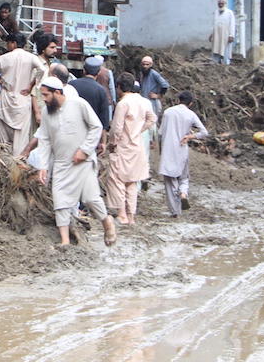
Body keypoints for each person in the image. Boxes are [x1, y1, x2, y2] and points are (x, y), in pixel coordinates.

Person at [32, 77, 118, 246]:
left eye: (46, 95)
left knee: (91, 198)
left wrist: (85, 150)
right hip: (62, 163)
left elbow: (96, 127)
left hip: (83, 163)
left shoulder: (79, 104)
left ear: (57, 92)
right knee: (60, 201)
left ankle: (107, 221)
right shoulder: (46, 112)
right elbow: (45, 140)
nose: (44, 99)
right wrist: (42, 166)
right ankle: (65, 241)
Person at [0, 32, 44, 156]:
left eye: (8, 43)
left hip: (6, 99)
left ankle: (5, 163)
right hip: (23, 98)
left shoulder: (4, 58)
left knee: (3, 138)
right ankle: (18, 166)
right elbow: (42, 70)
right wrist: (31, 85)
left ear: (13, 43)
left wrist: (0, 81)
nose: (7, 46)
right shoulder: (31, 57)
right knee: (21, 138)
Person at [107, 72, 156, 224]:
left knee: (117, 180)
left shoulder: (123, 104)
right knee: (132, 182)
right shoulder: (144, 101)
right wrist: (140, 130)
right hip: (137, 145)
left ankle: (122, 214)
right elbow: (152, 119)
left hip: (123, 146)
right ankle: (131, 216)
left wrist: (112, 143)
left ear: (120, 87)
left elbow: (116, 128)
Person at [158, 91, 208, 218]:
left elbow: (160, 133)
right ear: (190, 103)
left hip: (168, 150)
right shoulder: (190, 114)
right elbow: (204, 132)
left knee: (170, 180)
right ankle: (183, 193)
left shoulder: (168, 112)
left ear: (178, 100)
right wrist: (190, 136)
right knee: (184, 177)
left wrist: (160, 150)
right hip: (182, 149)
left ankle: (175, 211)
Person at [69, 64, 111, 132]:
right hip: (92, 132)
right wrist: (103, 141)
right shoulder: (100, 90)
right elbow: (104, 119)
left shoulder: (71, 84)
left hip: (72, 129)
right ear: (98, 73)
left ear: (84, 71)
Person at [211, 0, 237, 64]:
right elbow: (214, 23)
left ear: (225, 3)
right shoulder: (216, 12)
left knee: (225, 49)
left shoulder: (229, 12)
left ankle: (226, 63)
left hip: (226, 34)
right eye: (219, 3)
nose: (220, 4)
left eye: (222, 3)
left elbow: (232, 24)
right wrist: (212, 34)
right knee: (216, 48)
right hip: (217, 34)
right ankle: (215, 62)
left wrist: (231, 35)